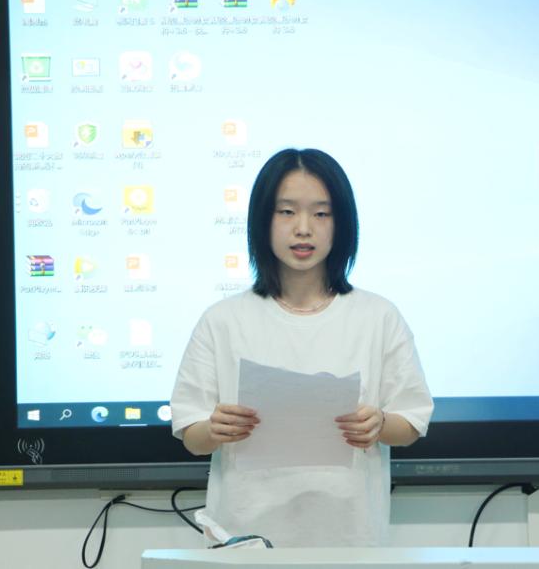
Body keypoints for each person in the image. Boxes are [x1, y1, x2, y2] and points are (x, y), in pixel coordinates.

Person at [170, 148, 433, 547]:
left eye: (321, 213)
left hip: (350, 539)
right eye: (287, 212)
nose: (303, 228)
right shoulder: (222, 320)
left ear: (342, 224)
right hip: (246, 540)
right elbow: (191, 433)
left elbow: (411, 423)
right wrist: (214, 428)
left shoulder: (378, 316)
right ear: (263, 220)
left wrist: (379, 424)